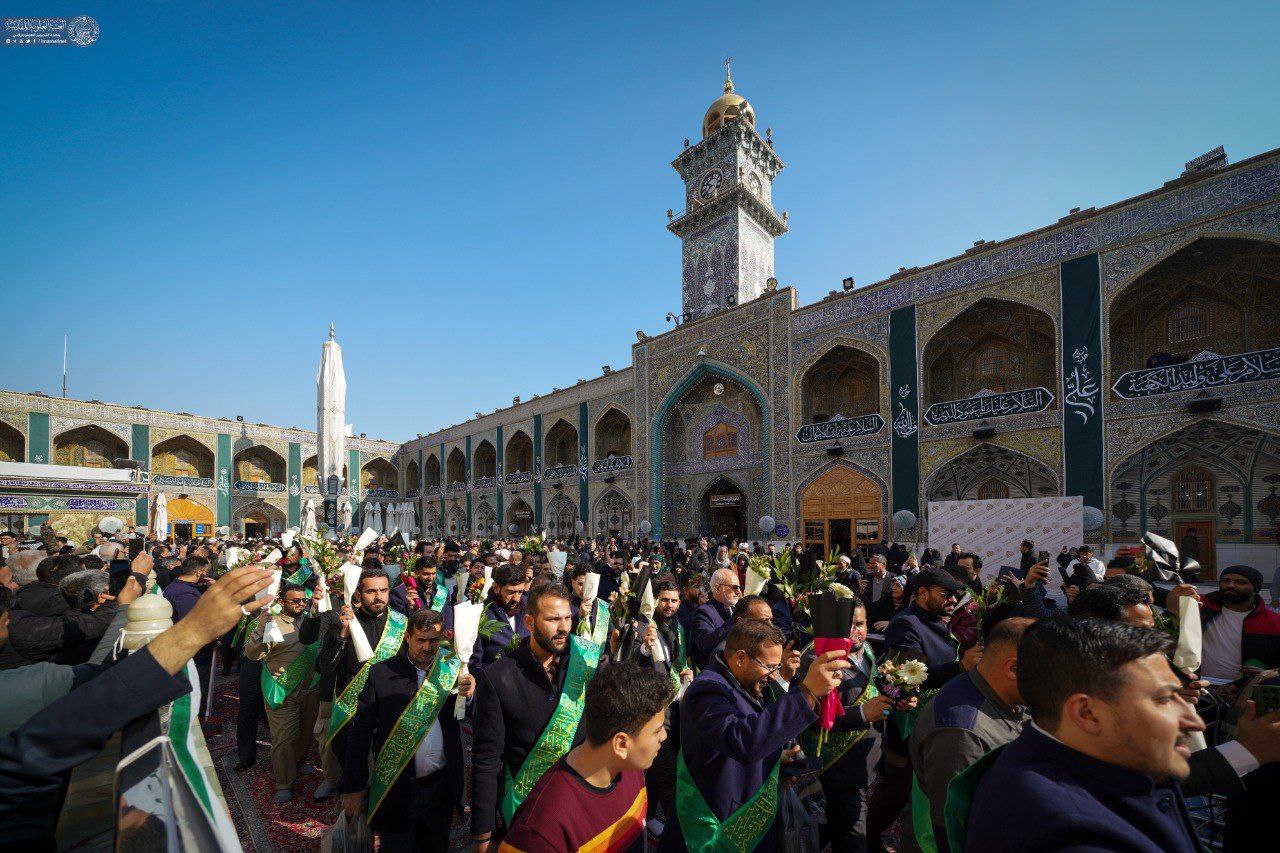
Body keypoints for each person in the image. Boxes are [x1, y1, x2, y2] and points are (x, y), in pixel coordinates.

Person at [0, 564, 273, 848]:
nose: (11, 618)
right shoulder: (26, 682)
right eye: (5, 616)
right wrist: (194, 631)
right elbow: (87, 699)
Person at [964, 618, 1205, 853]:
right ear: (1087, 713)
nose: (1195, 722)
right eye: (1163, 699)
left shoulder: (1050, 759)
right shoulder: (1069, 834)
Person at [658, 619, 848, 851]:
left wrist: (777, 759)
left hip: (750, 815)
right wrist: (807, 692)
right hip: (716, 825)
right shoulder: (707, 690)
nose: (772, 675)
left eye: (777, 668)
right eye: (769, 667)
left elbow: (757, 733)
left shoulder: (750, 681)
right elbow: (742, 740)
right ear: (740, 658)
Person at [471, 583, 599, 850]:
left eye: (567, 618)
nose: (564, 627)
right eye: (553, 619)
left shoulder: (589, 661)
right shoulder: (498, 677)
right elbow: (487, 758)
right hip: (529, 808)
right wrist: (483, 834)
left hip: (583, 801)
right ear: (529, 622)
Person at [339, 608, 475, 852]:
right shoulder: (381, 673)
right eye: (420, 640)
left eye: (433, 640)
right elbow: (360, 733)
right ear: (407, 637)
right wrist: (353, 786)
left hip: (440, 788)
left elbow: (468, 715)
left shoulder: (452, 669)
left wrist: (470, 696)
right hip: (397, 788)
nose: (427, 647)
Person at [500, 661, 671, 852]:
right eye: (657, 731)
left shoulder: (630, 767)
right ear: (621, 744)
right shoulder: (540, 834)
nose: (664, 736)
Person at [867, 567, 982, 852]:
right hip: (911, 722)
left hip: (937, 716)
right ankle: (863, 838)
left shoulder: (938, 620)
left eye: (955, 595)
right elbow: (908, 675)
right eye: (945, 594)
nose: (952, 600)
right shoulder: (906, 624)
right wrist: (958, 667)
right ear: (921, 593)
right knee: (900, 788)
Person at [904, 617, 1033, 853]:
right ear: (1012, 668)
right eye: (1047, 670)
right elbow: (954, 829)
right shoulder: (962, 733)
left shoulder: (1000, 692)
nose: (1053, 681)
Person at [801, 597, 908, 853]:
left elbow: (874, 693)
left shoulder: (868, 650)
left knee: (838, 829)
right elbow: (811, 718)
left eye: (860, 624)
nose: (855, 632)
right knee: (853, 841)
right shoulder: (816, 658)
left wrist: (897, 700)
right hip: (838, 765)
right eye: (849, 625)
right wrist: (861, 713)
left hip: (868, 761)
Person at [303, 568, 405, 780]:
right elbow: (323, 667)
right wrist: (342, 635)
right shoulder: (344, 623)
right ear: (359, 593)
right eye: (371, 591)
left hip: (390, 710)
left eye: (384, 590)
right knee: (354, 775)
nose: (378, 597)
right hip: (352, 713)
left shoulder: (401, 624)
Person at [243, 582, 321, 803]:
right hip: (283, 690)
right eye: (294, 601)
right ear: (282, 602)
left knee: (306, 732)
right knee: (284, 738)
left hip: (310, 688)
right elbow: (253, 654)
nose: (299, 604)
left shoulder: (312, 619)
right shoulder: (272, 623)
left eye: (302, 600)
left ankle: (298, 761)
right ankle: (284, 782)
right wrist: (259, 629)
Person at [1165, 564, 1280, 679]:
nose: (1231, 585)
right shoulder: (1198, 605)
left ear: (1255, 588)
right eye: (1226, 580)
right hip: (1199, 685)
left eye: (1240, 582)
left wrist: (1269, 673)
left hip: (1247, 690)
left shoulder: (1274, 621)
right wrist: (1172, 608)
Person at [477, 563, 530, 668]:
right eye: (510, 592)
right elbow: (475, 665)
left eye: (520, 592)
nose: (516, 598)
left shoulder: (529, 606)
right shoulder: (481, 615)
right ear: (496, 588)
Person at [689, 567, 739, 671]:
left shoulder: (734, 609)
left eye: (739, 587)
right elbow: (705, 644)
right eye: (734, 587)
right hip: (715, 672)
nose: (738, 591)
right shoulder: (703, 612)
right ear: (717, 588)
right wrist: (734, 620)